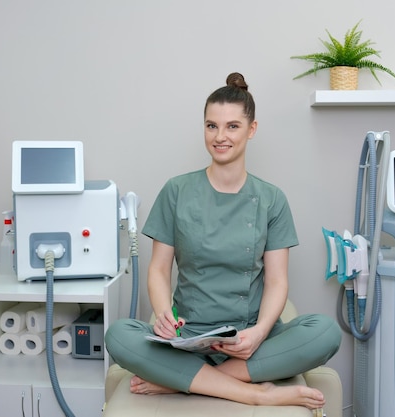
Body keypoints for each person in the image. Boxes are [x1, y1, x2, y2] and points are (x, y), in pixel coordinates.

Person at [105, 72, 341, 410]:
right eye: (211, 126)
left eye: (232, 126)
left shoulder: (271, 199)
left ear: (251, 129)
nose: (220, 136)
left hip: (248, 341)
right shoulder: (177, 191)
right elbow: (158, 270)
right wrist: (162, 315)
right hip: (188, 337)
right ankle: (253, 392)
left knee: (325, 332)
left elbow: (277, 281)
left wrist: (258, 333)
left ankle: (184, 380)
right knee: (118, 335)